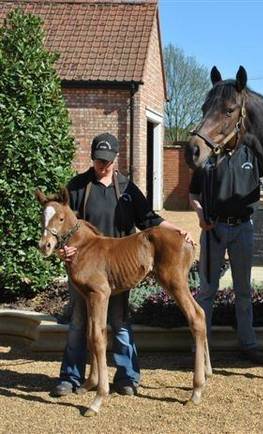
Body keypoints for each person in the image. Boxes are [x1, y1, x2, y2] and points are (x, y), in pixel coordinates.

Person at [51, 133, 193, 397]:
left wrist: (179, 231)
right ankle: (71, 377)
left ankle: (127, 376)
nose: (102, 166)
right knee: (79, 322)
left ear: (115, 160)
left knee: (119, 322)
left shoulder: (126, 188)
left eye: (107, 161)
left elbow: (149, 218)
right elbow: (61, 225)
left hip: (117, 266)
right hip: (82, 266)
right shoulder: (78, 186)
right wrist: (62, 250)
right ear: (92, 159)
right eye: (98, 161)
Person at [189, 142, 263, 365]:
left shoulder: (252, 154)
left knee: (243, 290)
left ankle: (248, 345)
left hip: (243, 228)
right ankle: (200, 349)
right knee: (207, 290)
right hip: (214, 229)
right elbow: (193, 194)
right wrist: (200, 214)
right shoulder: (207, 157)